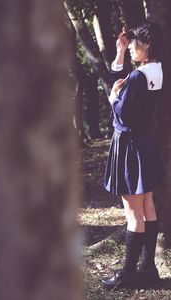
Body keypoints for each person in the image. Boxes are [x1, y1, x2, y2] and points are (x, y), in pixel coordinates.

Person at [101, 21, 164, 290]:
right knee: (147, 207)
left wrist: (113, 97)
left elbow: (124, 112)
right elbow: (128, 77)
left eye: (133, 44)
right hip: (143, 144)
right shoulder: (154, 69)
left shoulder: (139, 76)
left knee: (134, 214)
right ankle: (148, 269)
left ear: (147, 44)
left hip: (130, 146)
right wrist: (119, 52)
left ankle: (127, 276)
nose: (130, 50)